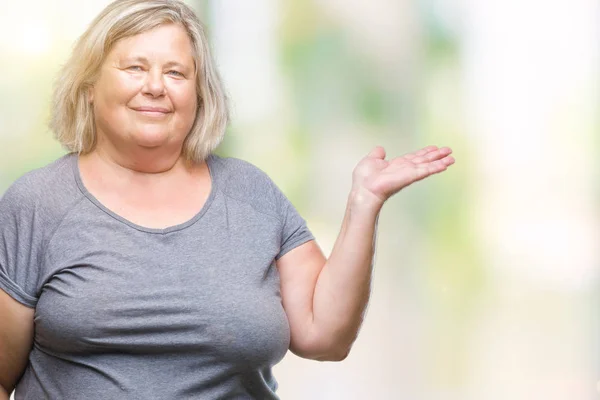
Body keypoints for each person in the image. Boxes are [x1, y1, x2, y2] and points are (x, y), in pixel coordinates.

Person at [0, 0, 455, 399]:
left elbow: (324, 336)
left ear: (199, 96)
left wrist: (363, 204)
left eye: (176, 72)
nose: (156, 86)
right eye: (135, 67)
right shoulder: (37, 204)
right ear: (89, 85)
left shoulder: (250, 193)